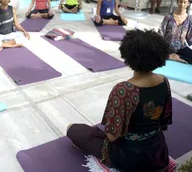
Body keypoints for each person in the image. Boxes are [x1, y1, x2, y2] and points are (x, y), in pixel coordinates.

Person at [67, 30, 173, 172]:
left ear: (128, 56)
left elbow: (112, 136)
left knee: (72, 128)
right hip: (158, 153)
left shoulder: (124, 90)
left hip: (129, 158)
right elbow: (164, 122)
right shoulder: (163, 81)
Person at [159, 0, 192, 66]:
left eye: (185, 2)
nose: (182, 4)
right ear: (177, 2)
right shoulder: (169, 17)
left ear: (188, 4)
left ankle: (177, 57)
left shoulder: (190, 19)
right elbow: (161, 32)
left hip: (181, 47)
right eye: (181, 2)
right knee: (151, 54)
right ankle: (170, 56)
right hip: (166, 47)